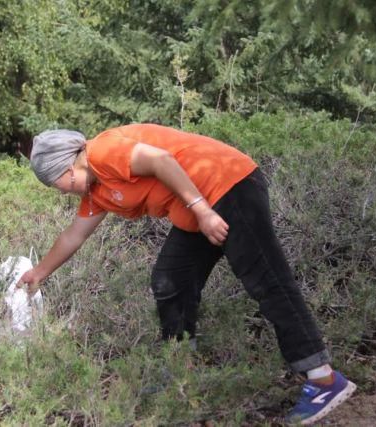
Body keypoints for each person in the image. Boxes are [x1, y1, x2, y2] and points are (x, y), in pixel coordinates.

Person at [18, 124, 355, 425]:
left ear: (69, 162)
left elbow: (161, 160)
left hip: (226, 185)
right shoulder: (96, 189)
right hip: (199, 207)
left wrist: (202, 210)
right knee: (170, 280)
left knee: (266, 280)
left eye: (59, 181)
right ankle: (181, 374)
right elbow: (74, 235)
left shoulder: (103, 151)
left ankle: (324, 380)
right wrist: (40, 273)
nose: (62, 190)